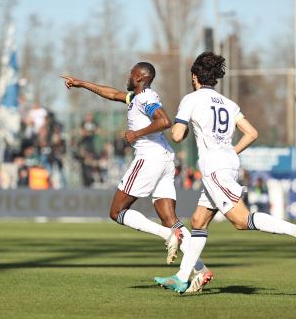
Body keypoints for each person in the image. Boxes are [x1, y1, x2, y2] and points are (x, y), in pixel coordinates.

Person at [154, 52, 296, 294]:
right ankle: (181, 276)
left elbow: (177, 135)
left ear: (194, 77)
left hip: (214, 168)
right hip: (227, 162)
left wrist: (180, 129)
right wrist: (230, 151)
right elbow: (251, 133)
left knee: (241, 221)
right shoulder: (228, 104)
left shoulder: (191, 99)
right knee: (198, 222)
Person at [62, 62, 211, 289]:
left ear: (140, 77)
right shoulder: (137, 97)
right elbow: (112, 94)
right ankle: (201, 269)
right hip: (164, 159)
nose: (128, 76)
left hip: (149, 159)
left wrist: (135, 134)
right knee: (171, 219)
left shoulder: (145, 98)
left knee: (117, 211)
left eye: (131, 74)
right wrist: (81, 83)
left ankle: (166, 235)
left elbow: (164, 121)